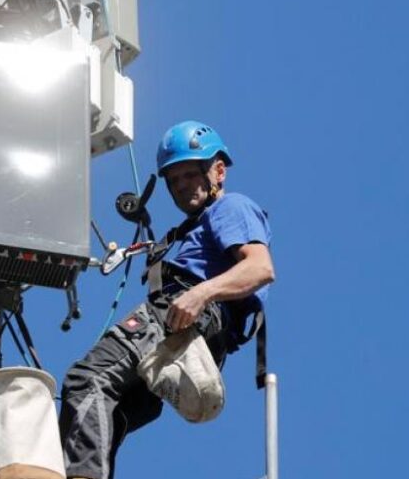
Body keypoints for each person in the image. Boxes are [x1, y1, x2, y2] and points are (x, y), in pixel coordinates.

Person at [59, 120, 276, 479]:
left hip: (184, 317)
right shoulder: (191, 228)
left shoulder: (231, 208)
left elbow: (260, 268)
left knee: (88, 379)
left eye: (189, 175)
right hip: (187, 330)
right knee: (110, 414)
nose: (180, 186)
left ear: (218, 171)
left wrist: (200, 294)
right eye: (172, 181)